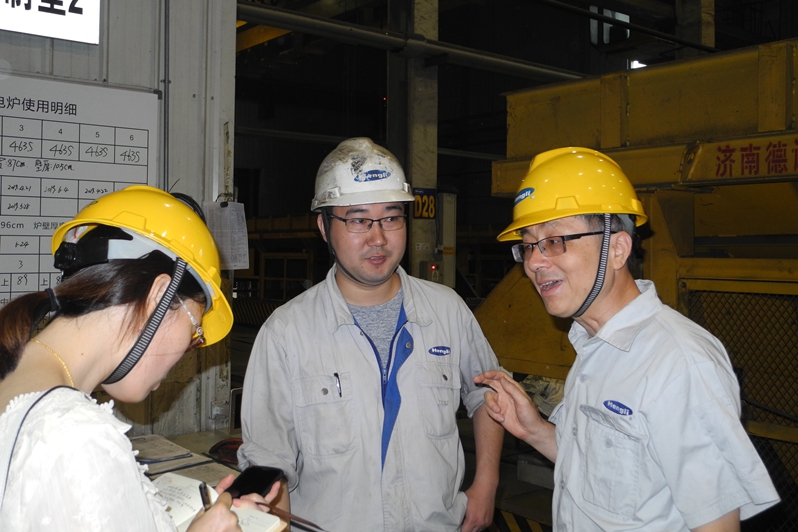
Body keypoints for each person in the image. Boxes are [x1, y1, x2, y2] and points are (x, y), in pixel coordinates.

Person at [475, 147, 781, 531]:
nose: (535, 262)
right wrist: (534, 430)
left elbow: (716, 524)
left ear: (617, 249)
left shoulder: (679, 364)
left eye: (555, 240)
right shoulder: (593, 346)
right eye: (529, 245)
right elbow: (604, 475)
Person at [238, 137, 505, 532]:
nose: (378, 238)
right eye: (358, 220)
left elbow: (488, 393)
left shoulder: (447, 311)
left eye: (392, 218)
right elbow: (268, 458)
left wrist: (486, 483)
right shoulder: (287, 332)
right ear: (324, 227)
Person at [0, 185, 279, 531]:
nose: (185, 354)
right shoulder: (78, 438)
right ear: (158, 296)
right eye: (195, 333)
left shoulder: (18, 374)